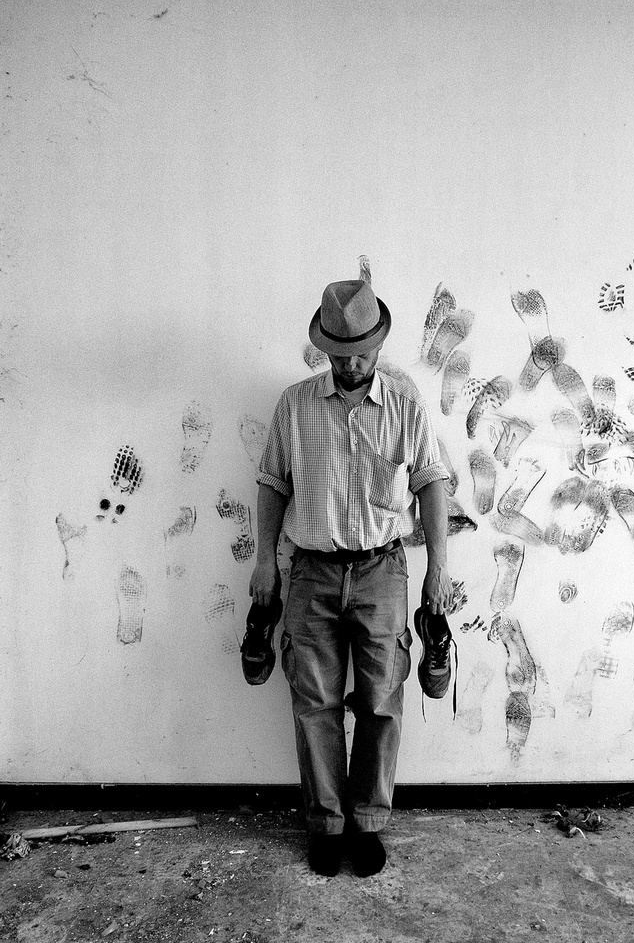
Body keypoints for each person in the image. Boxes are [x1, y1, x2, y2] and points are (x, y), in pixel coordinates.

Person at [249, 278, 452, 878]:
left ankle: (367, 823)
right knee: (314, 703)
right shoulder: (294, 405)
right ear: (325, 349)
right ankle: (326, 825)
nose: (351, 364)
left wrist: (438, 568)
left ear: (378, 345)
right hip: (311, 570)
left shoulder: (406, 405)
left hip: (382, 570)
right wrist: (265, 560)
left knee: (381, 700)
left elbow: (431, 484)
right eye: (340, 354)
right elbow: (272, 483)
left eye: (361, 353)